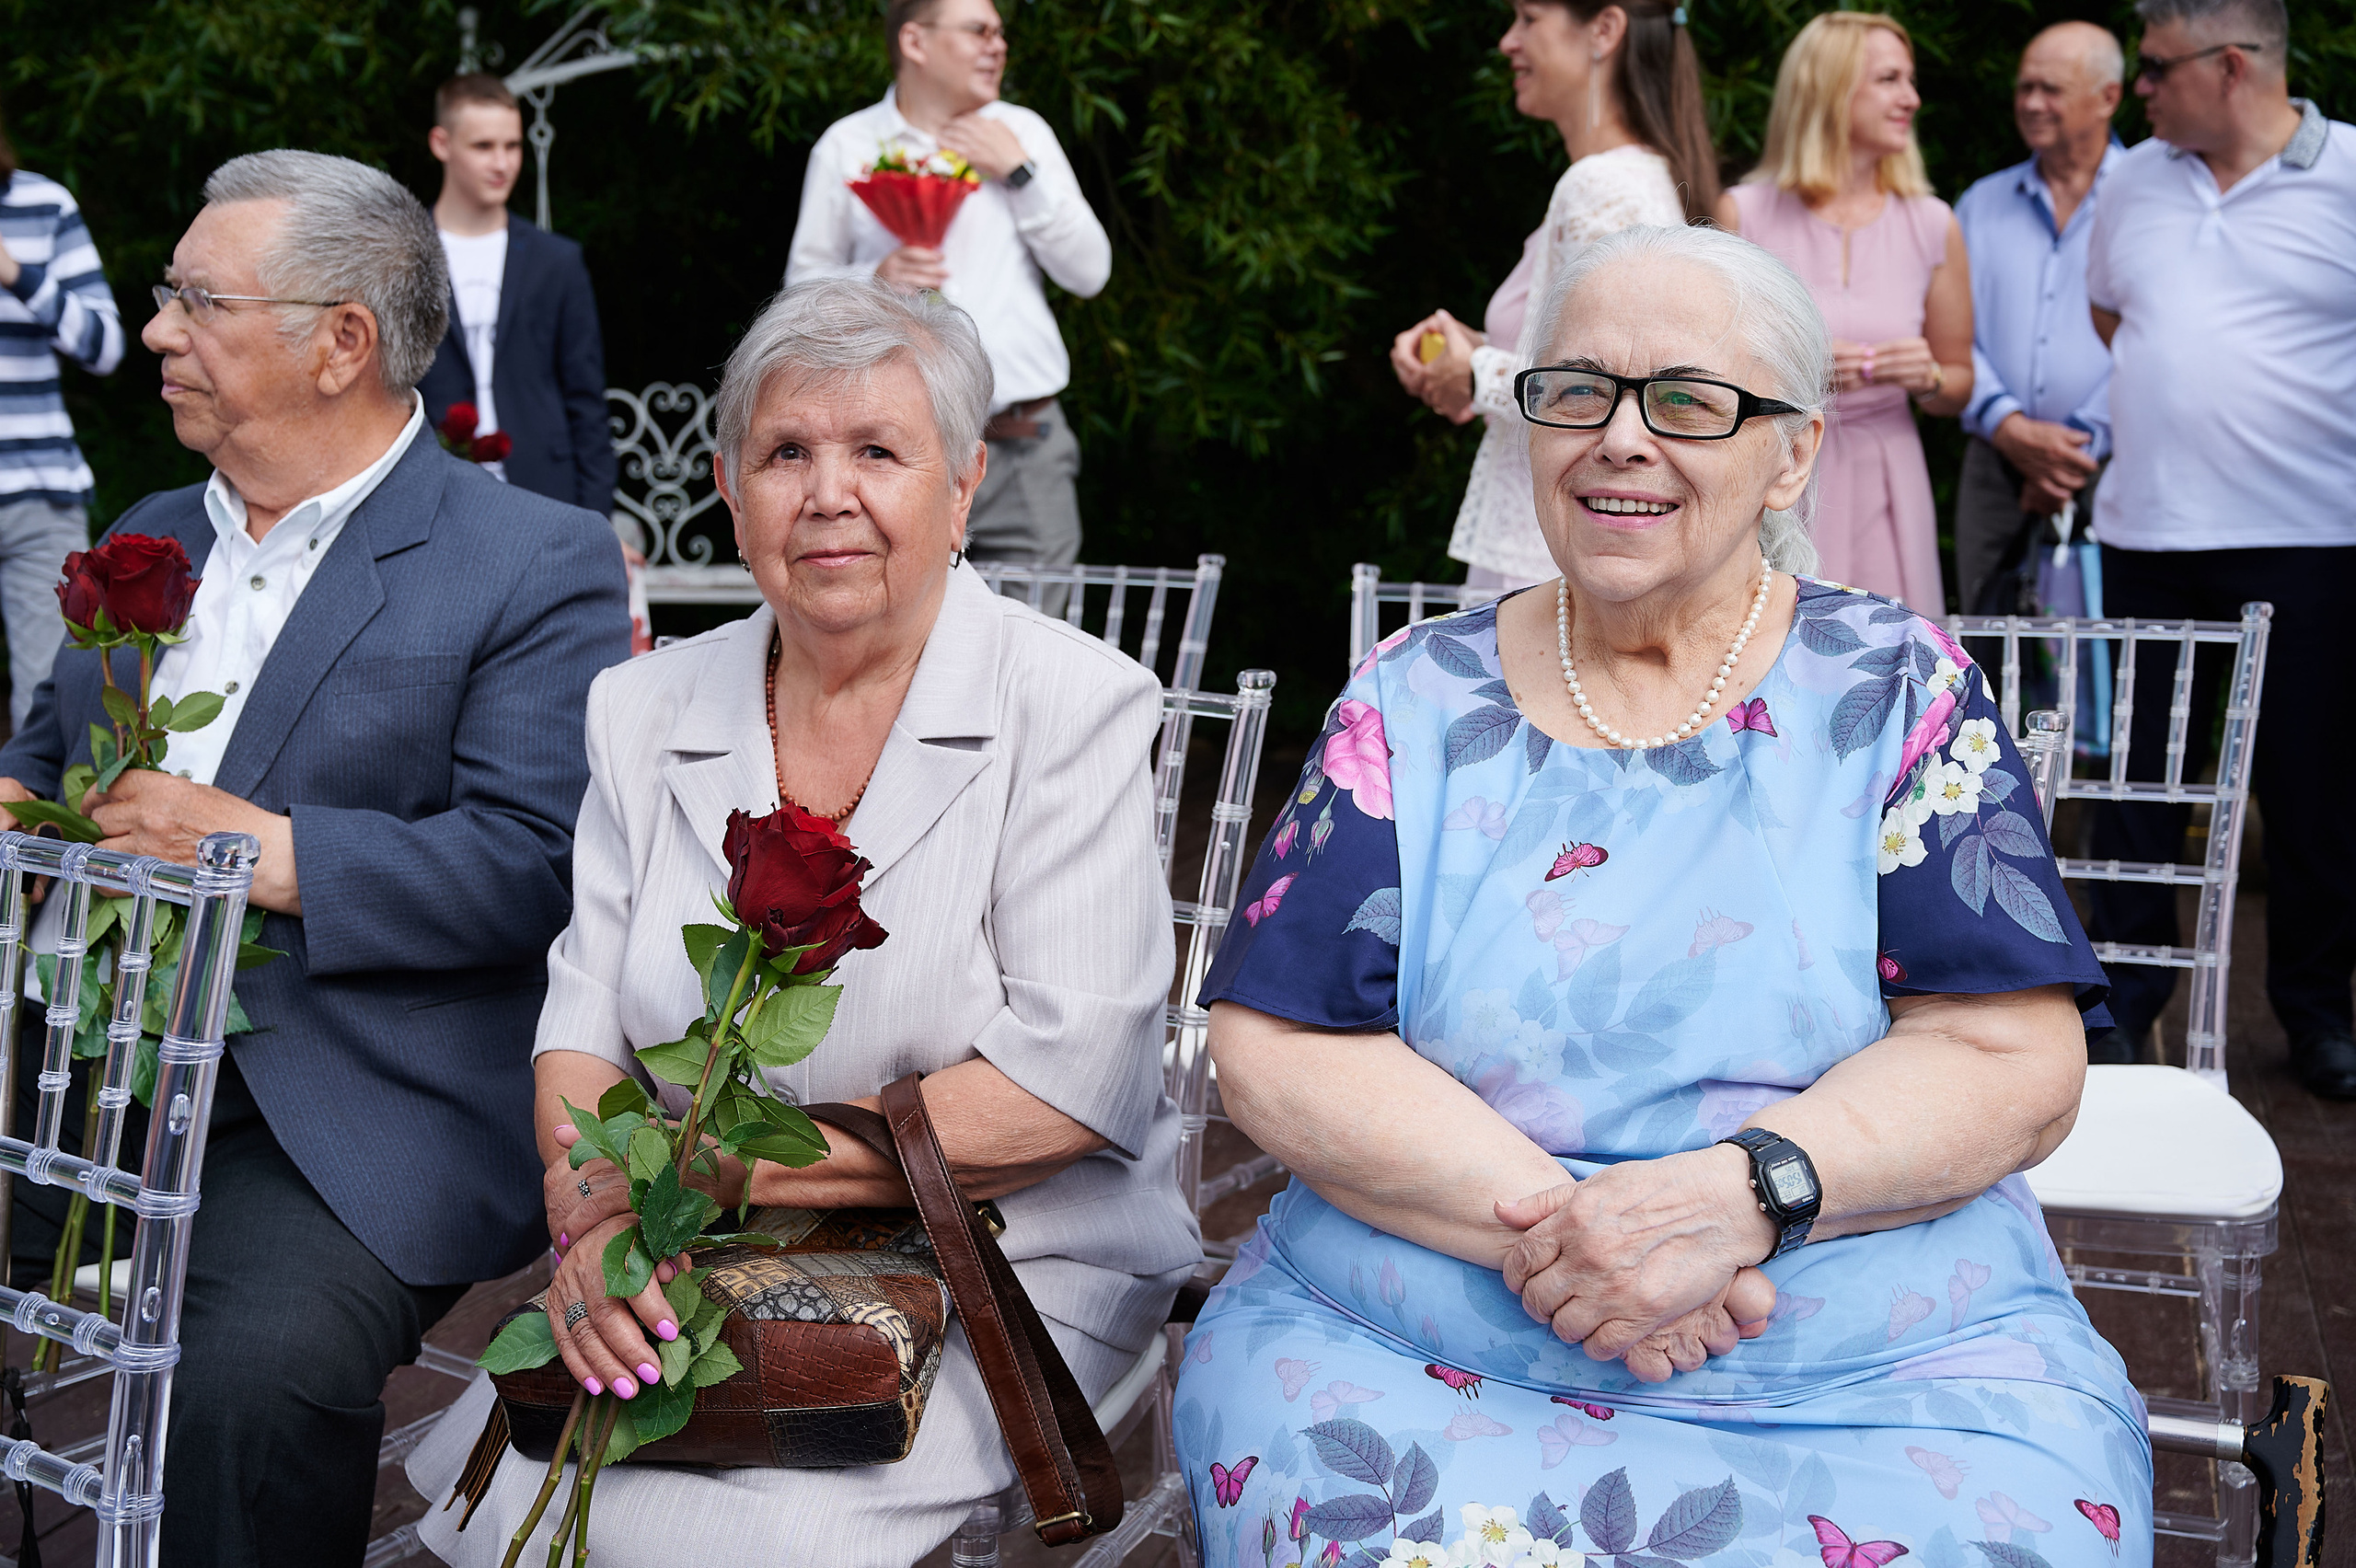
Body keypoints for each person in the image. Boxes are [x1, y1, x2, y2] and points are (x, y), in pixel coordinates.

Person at [1177, 225, 2148, 1565]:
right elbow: (1279, 1043)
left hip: (1875, 1357)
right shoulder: (1411, 694)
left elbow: (2012, 1056)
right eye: (1577, 392)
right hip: (1415, 1343)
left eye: (1687, 401)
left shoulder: (1896, 689)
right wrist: (1599, 1247)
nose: (1619, 440)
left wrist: (1742, 1198)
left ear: (1791, 456)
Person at [403, 275, 1198, 1566]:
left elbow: (1065, 1090)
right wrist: (599, 1216)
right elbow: (581, 1023)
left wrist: (713, 1172)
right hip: (694, 1243)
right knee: (523, 1504)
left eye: (878, 451)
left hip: (1004, 1261)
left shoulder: (1072, 704)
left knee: (703, 1541)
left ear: (961, 488)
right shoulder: (640, 707)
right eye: (785, 453)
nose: (828, 493)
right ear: (730, 488)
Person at [0, 149, 630, 1563]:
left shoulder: (530, 558)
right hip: (71, 1065)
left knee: (252, 1388)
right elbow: (45, 760)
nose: (156, 333)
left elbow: (538, 863)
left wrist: (269, 853)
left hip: (336, 1097)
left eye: (198, 301)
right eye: (168, 296)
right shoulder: (150, 531)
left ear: (342, 340)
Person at [2084, 0, 2356, 1095]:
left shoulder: (2349, 174)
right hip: (2146, 532)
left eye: (2155, 68)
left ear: (2230, 65)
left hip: (2310, 539)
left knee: (2311, 793)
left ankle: (2317, 1015)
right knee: (2139, 785)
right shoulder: (2132, 181)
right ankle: (2120, 1003)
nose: (2140, 89)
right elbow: (2115, 317)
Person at [1392, 0, 1727, 594]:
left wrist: (1472, 373)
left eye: (1529, 17)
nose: (1508, 42)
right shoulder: (1638, 177)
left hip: (1553, 547)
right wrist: (1478, 346)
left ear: (1605, 29)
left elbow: (1613, 386)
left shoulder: (1600, 188)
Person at [786, 0, 1109, 592]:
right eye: (979, 31)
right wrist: (872, 280)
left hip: (1021, 445)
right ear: (915, 41)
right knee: (903, 629)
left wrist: (1019, 171)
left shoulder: (1021, 133)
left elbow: (1090, 272)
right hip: (889, 454)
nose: (998, 46)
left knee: (1034, 637)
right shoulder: (847, 145)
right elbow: (798, 297)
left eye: (1000, 33)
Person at [1728, 11, 1971, 610]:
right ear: (1830, 89)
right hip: (1778, 472)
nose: (1911, 99)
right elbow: (1704, 368)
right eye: (1890, 80)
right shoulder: (1743, 214)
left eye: (1910, 81)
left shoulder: (1932, 222)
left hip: (1890, 474)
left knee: (1890, 643)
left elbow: (1959, 384)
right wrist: (1791, 376)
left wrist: (1929, 378)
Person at [1953, 24, 2124, 614]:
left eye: (2050, 89)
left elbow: (2165, 335)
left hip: (2117, 460)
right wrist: (2009, 427)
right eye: (2025, 87)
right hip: (1995, 459)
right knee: (1985, 632)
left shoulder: (2149, 198)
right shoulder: (1980, 203)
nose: (2030, 103)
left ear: (2108, 97)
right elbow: (1951, 333)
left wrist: (2078, 443)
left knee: (2114, 641)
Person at [417, 73, 618, 517]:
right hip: (432, 491)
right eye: (483, 146)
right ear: (441, 143)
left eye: (512, 146)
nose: (502, 163)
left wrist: (596, 521)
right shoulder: (405, 257)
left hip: (544, 491)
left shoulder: (557, 262)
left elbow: (586, 402)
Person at [0, 99, 122, 732]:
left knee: (54, 706)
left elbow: (105, 348)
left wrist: (16, 272)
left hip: (37, 495)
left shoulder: (43, 205)